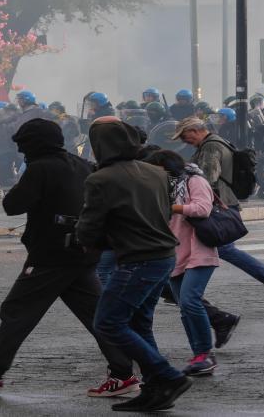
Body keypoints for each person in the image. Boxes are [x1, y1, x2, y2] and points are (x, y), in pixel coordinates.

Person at [0, 119, 140, 397]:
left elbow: (12, 205)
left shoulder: (40, 168)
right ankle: (123, 372)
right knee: (97, 315)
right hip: (82, 251)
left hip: (50, 255)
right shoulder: (80, 163)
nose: (22, 152)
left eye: (24, 146)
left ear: (34, 144)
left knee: (17, 310)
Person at [76, 118, 194, 412]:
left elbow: (89, 228)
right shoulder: (155, 172)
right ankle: (156, 388)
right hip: (164, 255)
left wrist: (87, 237)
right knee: (140, 323)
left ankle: (167, 376)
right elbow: (164, 211)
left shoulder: (100, 179)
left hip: (136, 259)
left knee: (107, 322)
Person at [173, 116, 264, 309]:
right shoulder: (217, 142)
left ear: (195, 131)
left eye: (184, 135)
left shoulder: (210, 147)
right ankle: (181, 292)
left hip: (219, 205)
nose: (183, 141)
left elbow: (206, 178)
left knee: (222, 248)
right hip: (224, 202)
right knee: (208, 248)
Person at [143, 150, 222, 376]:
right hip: (175, 252)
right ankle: (199, 354)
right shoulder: (166, 185)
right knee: (184, 307)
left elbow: (202, 208)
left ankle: (206, 354)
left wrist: (169, 207)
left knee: (190, 301)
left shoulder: (194, 180)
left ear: (165, 166)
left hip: (199, 249)